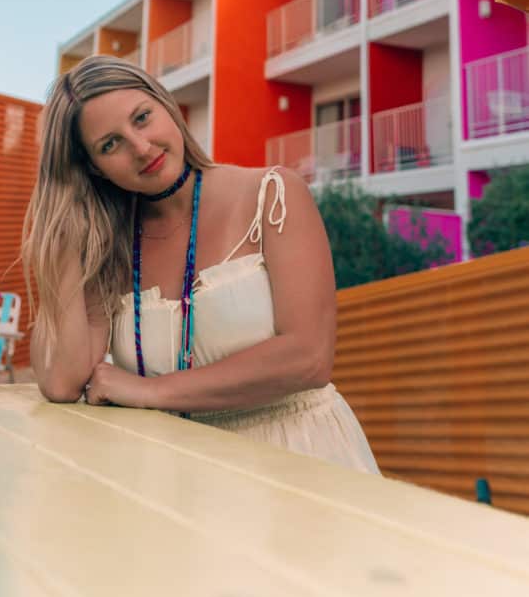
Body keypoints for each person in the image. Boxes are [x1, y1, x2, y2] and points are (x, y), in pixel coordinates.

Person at [23, 55, 379, 474]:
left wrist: (149, 391)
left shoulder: (273, 194)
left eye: (142, 118)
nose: (141, 148)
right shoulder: (113, 247)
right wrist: (63, 240)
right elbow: (62, 382)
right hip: (180, 471)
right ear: (94, 170)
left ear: (166, 104)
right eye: (110, 144)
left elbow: (309, 358)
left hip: (295, 459)